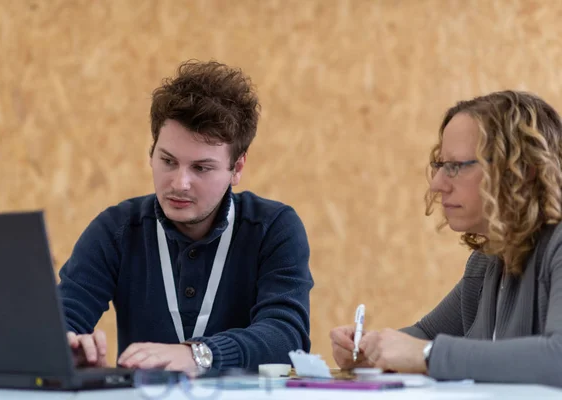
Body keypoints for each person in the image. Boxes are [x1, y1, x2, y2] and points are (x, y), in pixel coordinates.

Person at [58, 60, 314, 373]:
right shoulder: (117, 229)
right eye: (167, 160)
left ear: (238, 168)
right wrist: (68, 350)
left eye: (201, 168)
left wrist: (199, 354)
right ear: (151, 153)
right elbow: (62, 318)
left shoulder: (273, 227)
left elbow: (286, 336)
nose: (179, 183)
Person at [330, 90, 562, 387]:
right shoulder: (485, 262)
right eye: (440, 166)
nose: (438, 184)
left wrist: (427, 355)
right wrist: (368, 353)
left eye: (455, 166)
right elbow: (423, 335)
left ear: (521, 171)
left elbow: (557, 358)